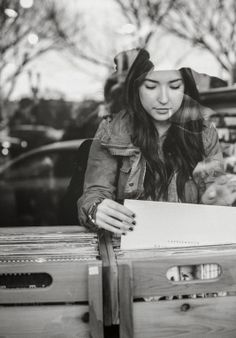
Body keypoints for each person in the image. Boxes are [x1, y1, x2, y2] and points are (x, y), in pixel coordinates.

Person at [77, 48, 236, 234]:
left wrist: (216, 201)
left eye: (175, 87)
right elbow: (94, 193)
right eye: (151, 87)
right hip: (130, 244)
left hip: (187, 243)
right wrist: (96, 209)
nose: (163, 99)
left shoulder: (204, 133)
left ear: (186, 89)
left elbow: (213, 192)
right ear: (136, 89)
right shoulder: (113, 130)